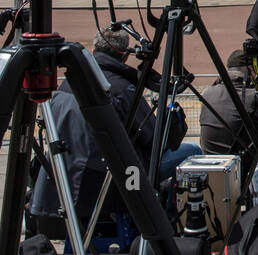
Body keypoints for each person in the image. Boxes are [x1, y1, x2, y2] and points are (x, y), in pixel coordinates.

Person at [30, 27, 198, 235]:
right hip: (115, 177)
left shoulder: (67, 85)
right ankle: (172, 224)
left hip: (65, 172)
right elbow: (155, 140)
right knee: (192, 152)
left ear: (93, 51)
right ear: (125, 56)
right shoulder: (120, 88)